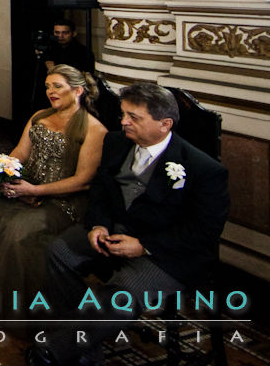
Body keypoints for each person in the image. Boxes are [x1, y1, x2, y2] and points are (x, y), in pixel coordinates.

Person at [31, 82, 230, 366]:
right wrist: (98, 225)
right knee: (57, 252)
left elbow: (204, 231)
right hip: (113, 231)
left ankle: (53, 350)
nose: (123, 121)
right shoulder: (116, 142)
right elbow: (100, 188)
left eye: (133, 117)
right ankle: (85, 346)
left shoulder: (204, 170)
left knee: (122, 294)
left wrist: (144, 246)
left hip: (165, 253)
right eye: (123, 114)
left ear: (165, 124)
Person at [0, 65, 106, 312]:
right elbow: (18, 155)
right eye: (48, 86)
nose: (51, 91)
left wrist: (35, 192)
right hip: (26, 188)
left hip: (63, 202)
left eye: (58, 86)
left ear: (78, 90)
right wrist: (1, 175)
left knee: (19, 230)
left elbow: (83, 180)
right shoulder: (39, 117)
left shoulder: (94, 129)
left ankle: (23, 308)